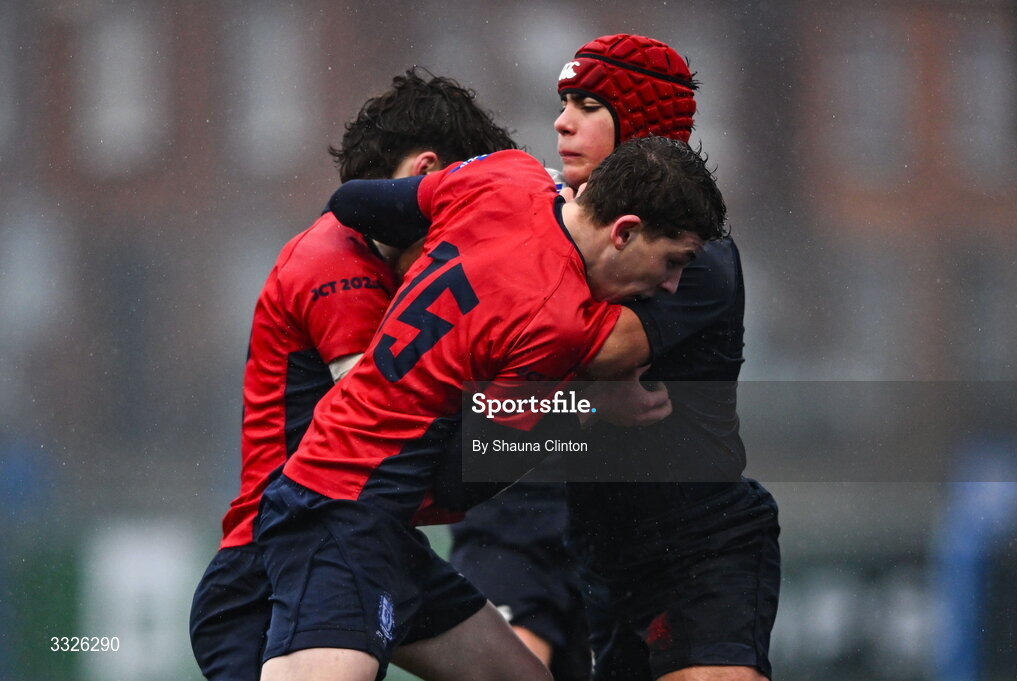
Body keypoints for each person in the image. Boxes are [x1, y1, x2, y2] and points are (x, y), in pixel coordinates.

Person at [255, 136, 727, 681]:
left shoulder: (507, 176)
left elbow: (357, 202)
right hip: (340, 515)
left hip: (370, 514)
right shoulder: (558, 323)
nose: (670, 285)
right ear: (622, 231)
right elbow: (466, 475)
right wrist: (588, 407)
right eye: (674, 262)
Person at [449, 34, 781, 681]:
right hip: (606, 557)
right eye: (563, 101)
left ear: (642, 127)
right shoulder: (562, 233)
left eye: (587, 105)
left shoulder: (693, 255)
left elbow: (587, 349)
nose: (560, 121)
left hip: (700, 549)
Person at [188, 67, 519, 681]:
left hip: (372, 535)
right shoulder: (335, 261)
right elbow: (391, 437)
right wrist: (561, 415)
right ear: (426, 175)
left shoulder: (402, 268)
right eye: (474, 199)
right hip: (279, 556)